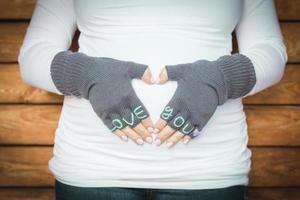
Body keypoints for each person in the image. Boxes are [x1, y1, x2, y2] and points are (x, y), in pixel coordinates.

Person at [18, 0, 287, 199]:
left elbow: (270, 52)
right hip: (92, 169)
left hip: (208, 172)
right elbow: (33, 57)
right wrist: (87, 74)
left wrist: (220, 78)